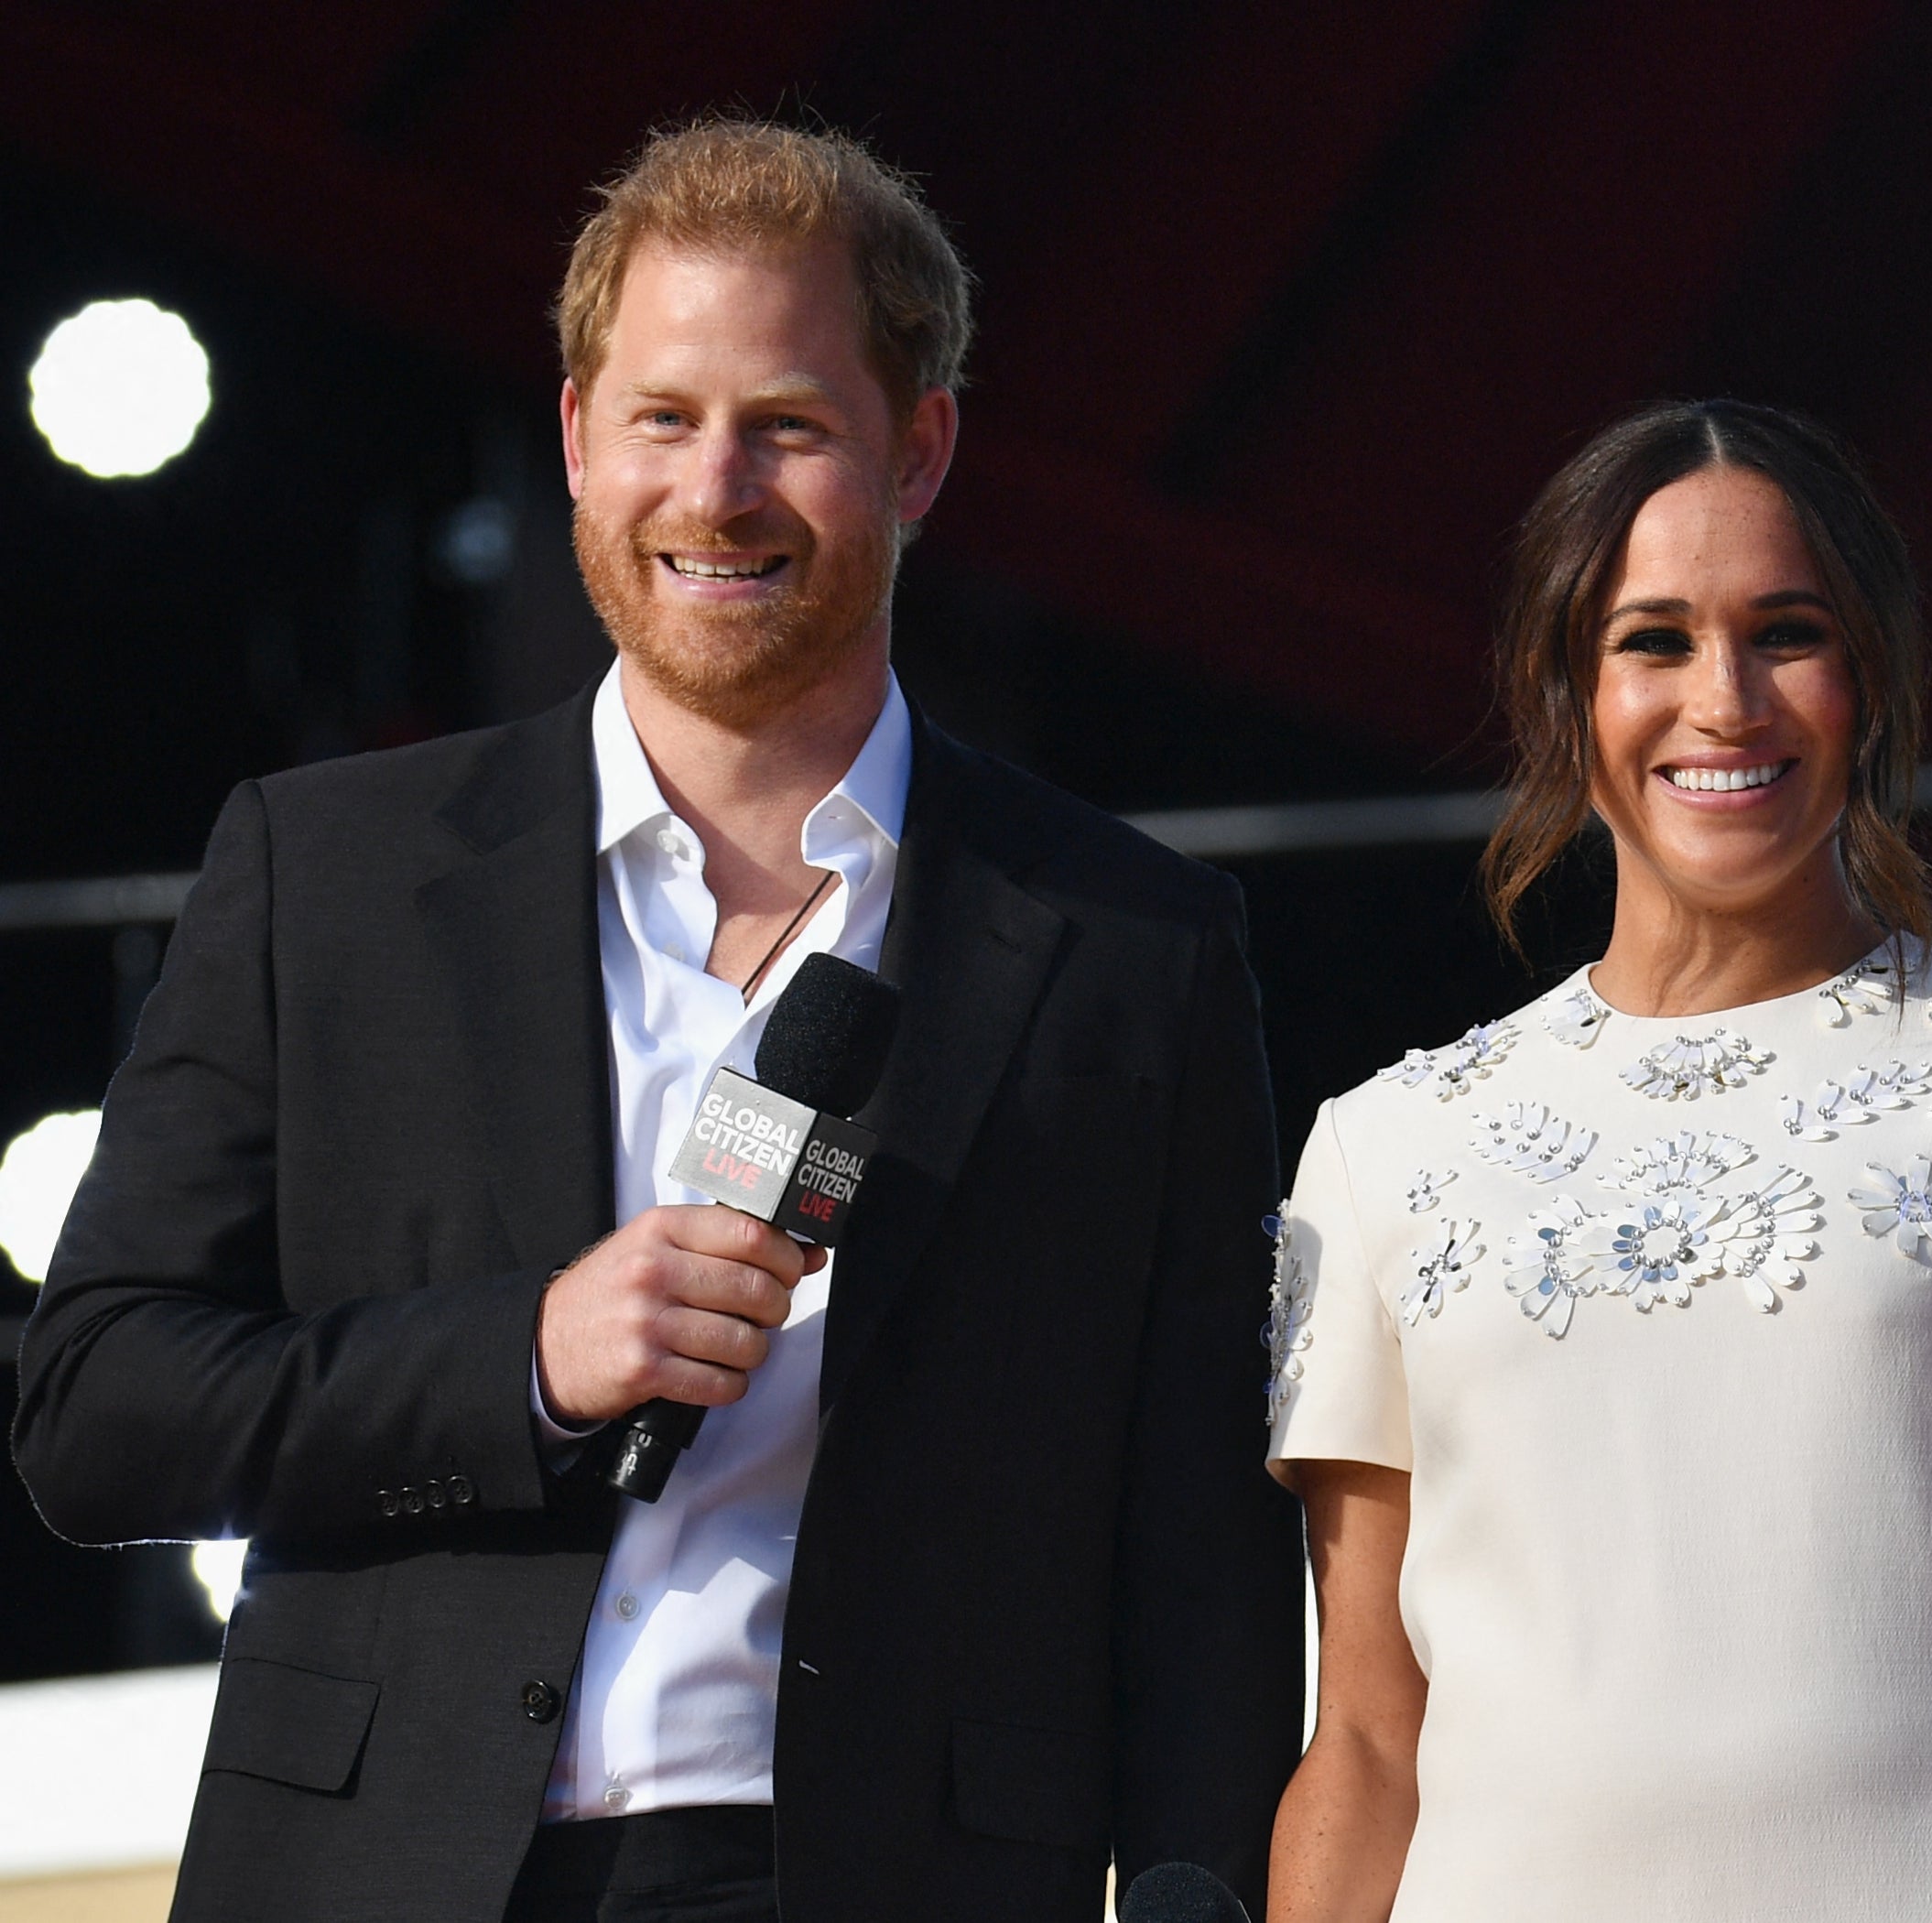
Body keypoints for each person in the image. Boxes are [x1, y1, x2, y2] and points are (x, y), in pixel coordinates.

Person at [14, 118, 1303, 1923]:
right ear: (573, 437)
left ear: (917, 452)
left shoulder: (1129, 941)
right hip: (385, 1875)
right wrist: (526, 1359)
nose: (716, 490)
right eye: (663, 419)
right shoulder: (329, 873)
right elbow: (92, 1407)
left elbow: (1204, 1560)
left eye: (787, 424)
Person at [1261, 400, 1932, 1921]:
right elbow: (1370, 1742)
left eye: (1784, 632)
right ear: (1559, 692)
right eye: (1651, 640)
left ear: (1869, 682)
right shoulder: (1389, 1145)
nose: (1723, 700)